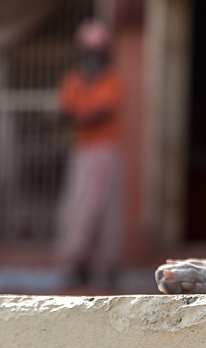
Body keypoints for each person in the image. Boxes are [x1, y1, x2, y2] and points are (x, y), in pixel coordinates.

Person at [55, 19, 122, 291]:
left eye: (97, 52)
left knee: (106, 211)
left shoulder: (111, 80)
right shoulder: (72, 79)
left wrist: (79, 117)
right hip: (82, 153)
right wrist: (80, 117)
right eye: (88, 52)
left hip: (106, 153)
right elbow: (63, 112)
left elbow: (102, 112)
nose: (92, 57)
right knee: (78, 210)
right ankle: (77, 265)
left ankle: (107, 268)